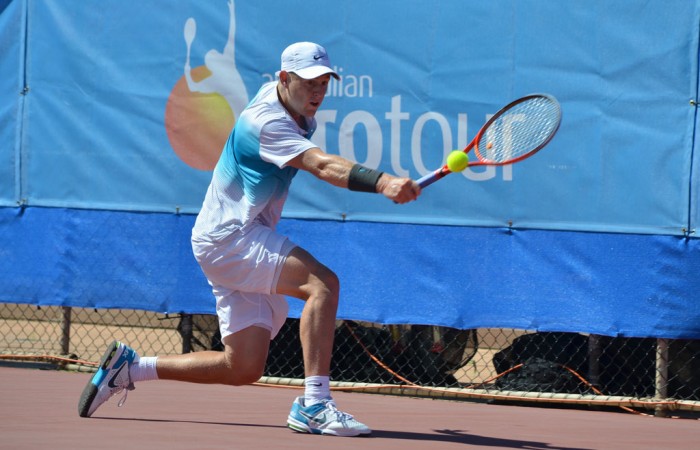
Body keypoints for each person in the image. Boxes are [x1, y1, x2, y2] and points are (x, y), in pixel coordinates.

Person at [78, 41, 421, 437]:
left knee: (242, 367)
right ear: (284, 79)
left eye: (324, 82)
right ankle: (315, 404)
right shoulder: (268, 122)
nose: (317, 92)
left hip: (226, 239)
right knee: (322, 285)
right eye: (309, 82)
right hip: (231, 239)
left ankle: (131, 368)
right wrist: (383, 182)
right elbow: (320, 164)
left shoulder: (288, 105)